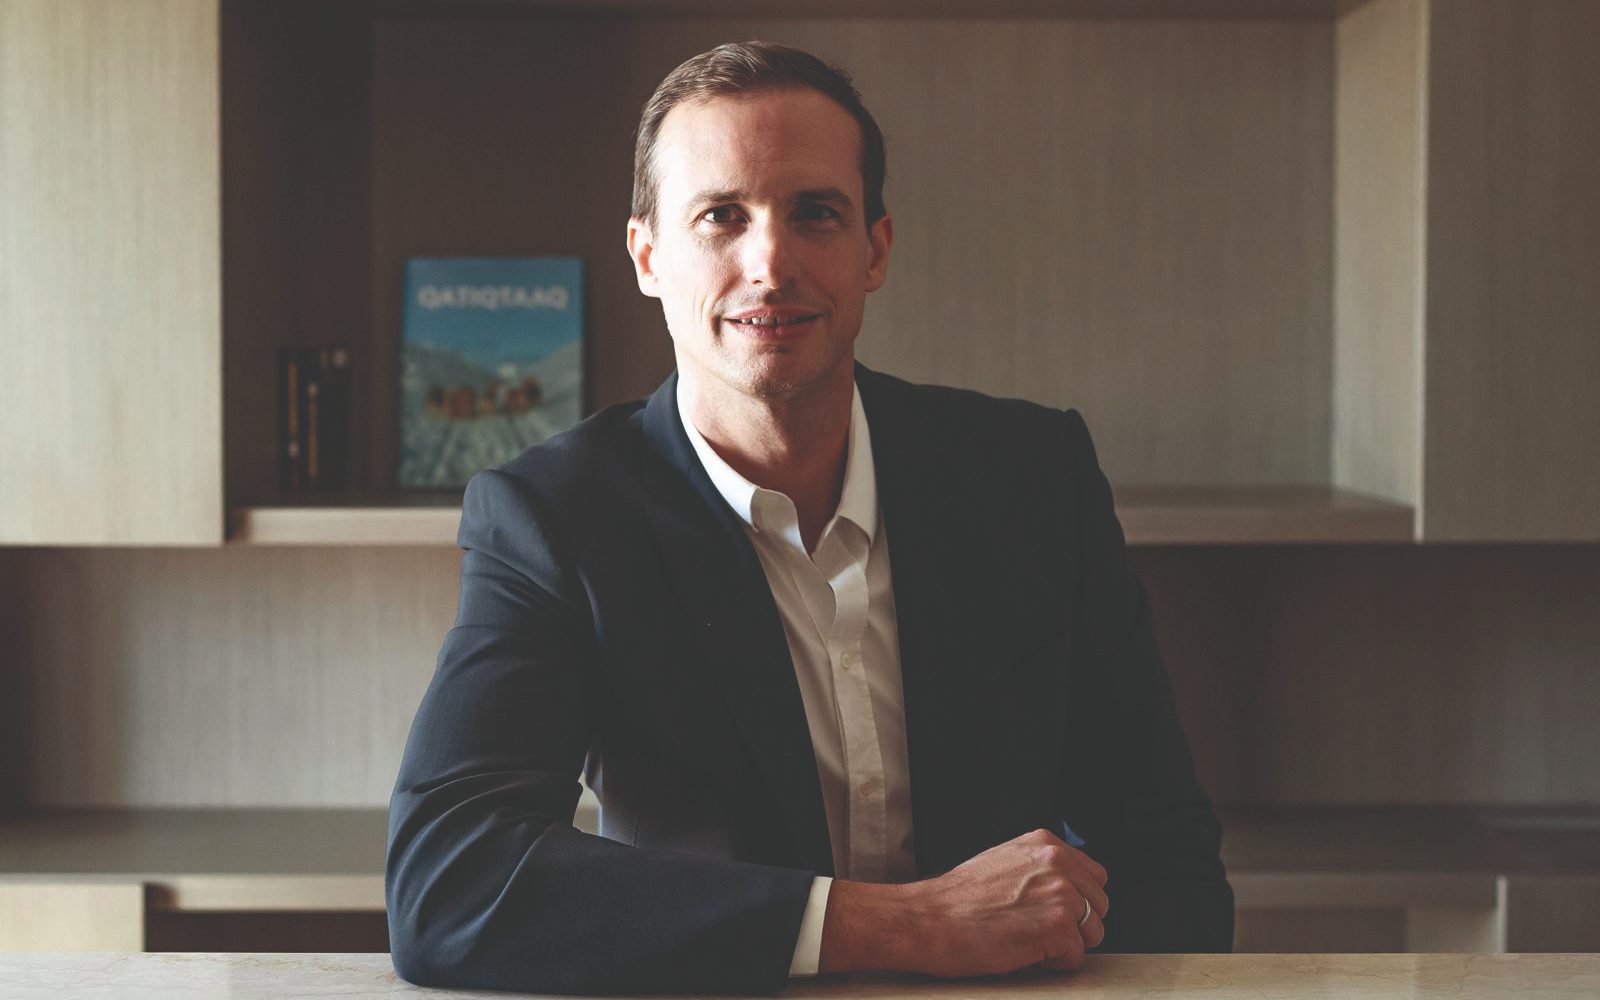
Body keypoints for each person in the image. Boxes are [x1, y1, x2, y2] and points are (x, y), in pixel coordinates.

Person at [386, 40, 1232, 996]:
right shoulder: (554, 517)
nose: (771, 262)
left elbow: (1166, 856)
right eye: (721, 216)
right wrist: (906, 926)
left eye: (815, 213)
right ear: (648, 255)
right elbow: (447, 883)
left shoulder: (1035, 476)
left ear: (875, 250)